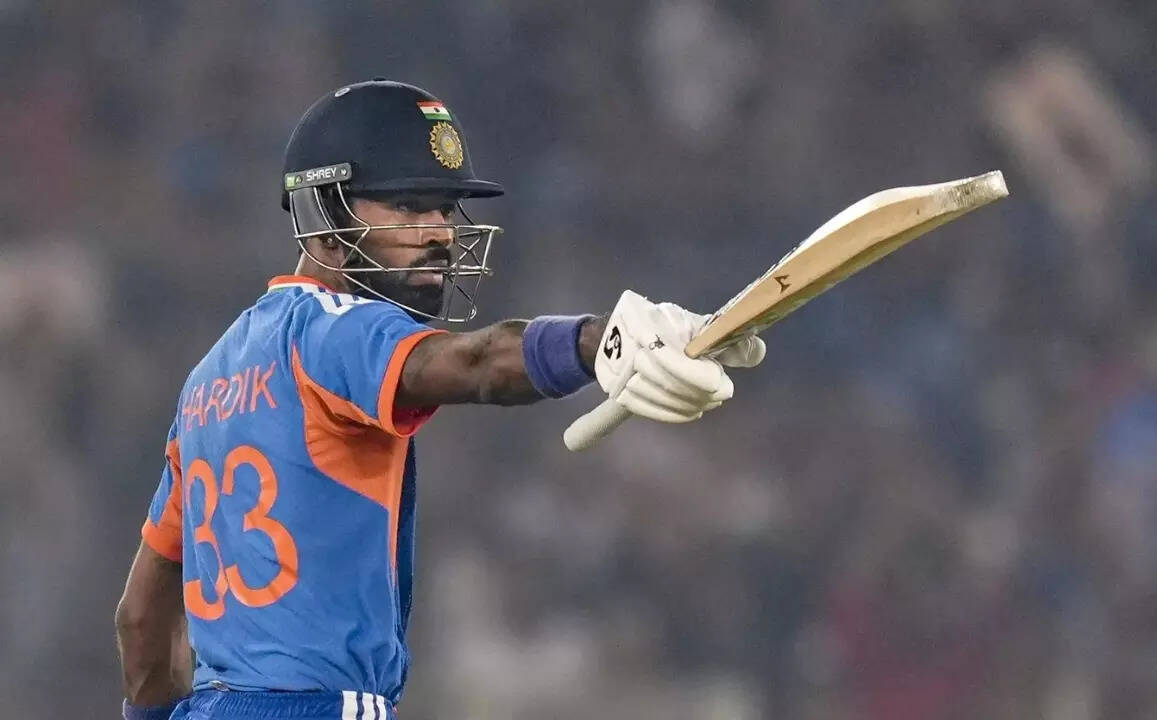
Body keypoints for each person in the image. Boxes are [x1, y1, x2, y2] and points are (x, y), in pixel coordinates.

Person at [113, 79, 764, 720]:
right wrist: (597, 342)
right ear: (324, 221)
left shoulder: (206, 384)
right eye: (408, 206)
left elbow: (140, 620)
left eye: (446, 209)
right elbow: (474, 363)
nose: (441, 233)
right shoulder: (334, 330)